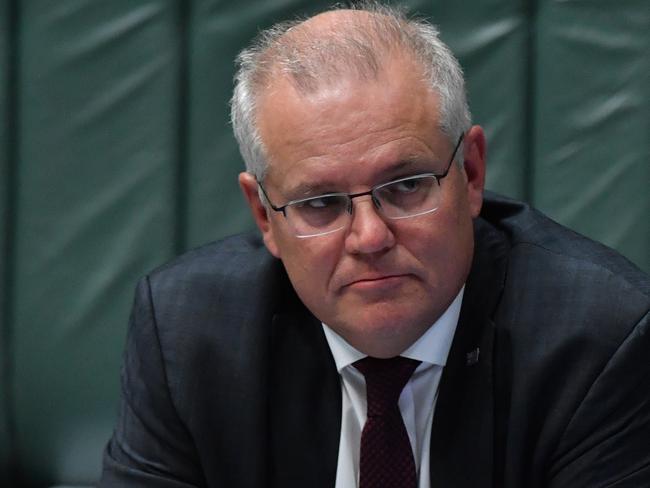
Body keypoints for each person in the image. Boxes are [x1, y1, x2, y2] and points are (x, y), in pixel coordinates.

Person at [100, 4, 650, 487]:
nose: (369, 237)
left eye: (407, 186)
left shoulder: (600, 339)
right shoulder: (187, 333)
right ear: (265, 215)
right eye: (320, 203)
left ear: (472, 172)